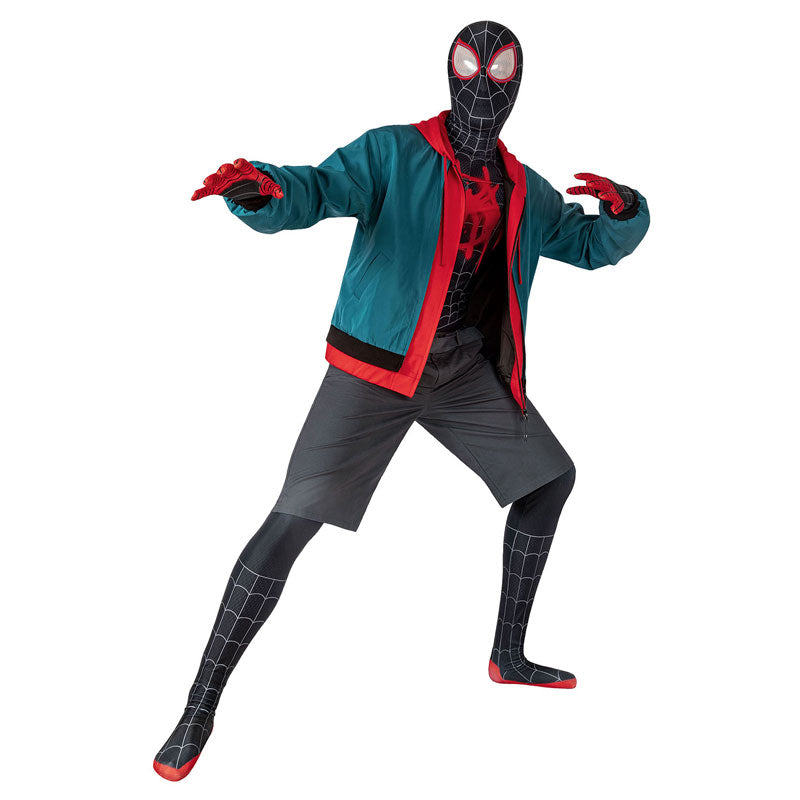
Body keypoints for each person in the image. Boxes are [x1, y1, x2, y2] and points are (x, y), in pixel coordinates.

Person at [153, 19, 650, 781]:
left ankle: (508, 653)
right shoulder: (392, 152)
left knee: (550, 477)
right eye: (470, 67)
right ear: (450, 73)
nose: (482, 87)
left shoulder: (523, 187)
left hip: (462, 373)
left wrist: (625, 213)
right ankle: (198, 707)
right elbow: (317, 189)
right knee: (291, 522)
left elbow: (583, 246)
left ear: (517, 84)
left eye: (499, 72)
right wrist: (264, 189)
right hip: (376, 371)